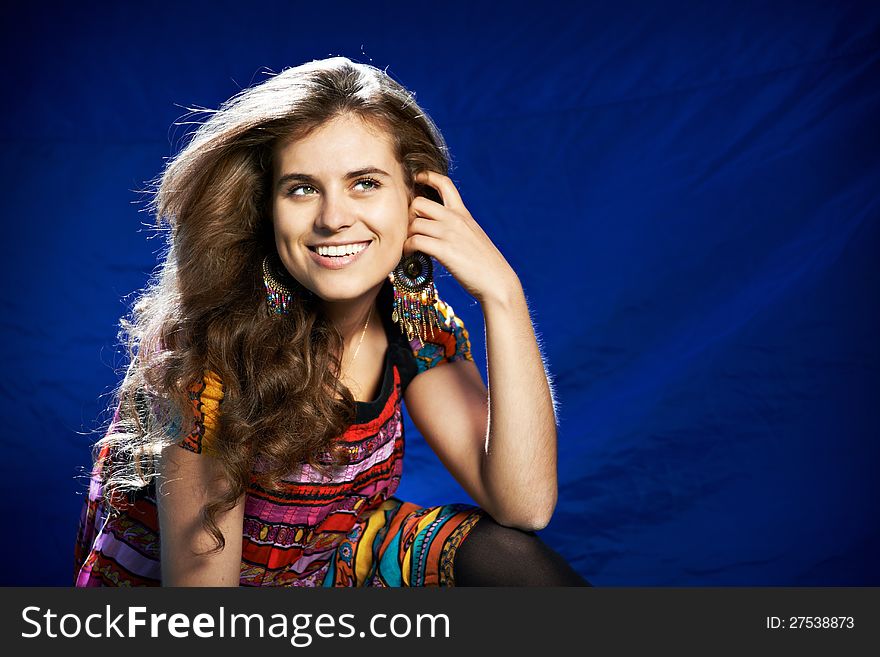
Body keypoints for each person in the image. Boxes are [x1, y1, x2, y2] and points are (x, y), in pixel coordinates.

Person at [73, 56, 589, 587]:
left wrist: (503, 295)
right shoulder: (209, 356)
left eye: (365, 182)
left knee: (512, 561)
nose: (333, 218)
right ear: (264, 208)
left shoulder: (412, 322)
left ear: (417, 199)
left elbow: (524, 505)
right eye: (301, 188)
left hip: (322, 569)